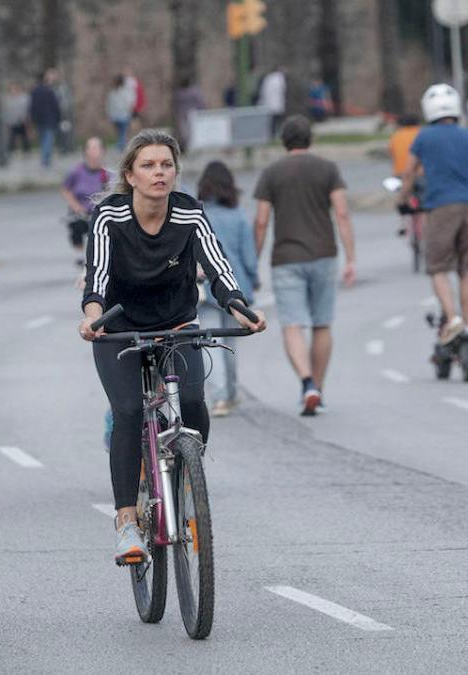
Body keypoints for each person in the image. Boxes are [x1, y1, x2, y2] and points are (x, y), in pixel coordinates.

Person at [78, 129, 264, 564]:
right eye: (148, 165)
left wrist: (239, 307)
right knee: (127, 412)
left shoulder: (189, 213)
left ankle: (185, 482)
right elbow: (97, 278)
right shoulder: (110, 217)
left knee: (196, 401)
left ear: (176, 172)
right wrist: (92, 317)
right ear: (131, 175)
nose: (159, 173)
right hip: (118, 329)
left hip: (177, 323)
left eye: (166, 165)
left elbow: (218, 267)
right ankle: (127, 520)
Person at [253, 116, 356, 416]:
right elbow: (342, 212)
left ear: (284, 140)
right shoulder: (328, 169)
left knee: (293, 325)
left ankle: (306, 381)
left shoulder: (271, 173)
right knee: (322, 323)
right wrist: (351, 259)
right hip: (324, 254)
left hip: (286, 258)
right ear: (310, 139)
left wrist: (253, 262)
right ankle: (318, 389)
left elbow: (261, 221)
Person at [397, 84, 468, 346]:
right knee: (466, 269)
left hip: (441, 208)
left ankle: (452, 319)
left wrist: (402, 200)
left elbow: (408, 174)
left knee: (438, 268)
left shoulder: (424, 138)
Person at [196, 161, 257, 417]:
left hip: (207, 286)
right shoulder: (238, 215)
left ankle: (220, 396)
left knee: (213, 342)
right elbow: (249, 256)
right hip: (236, 287)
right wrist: (253, 280)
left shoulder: (198, 216)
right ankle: (230, 392)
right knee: (231, 342)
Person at [61, 137, 110, 266]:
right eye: (91, 148)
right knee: (76, 225)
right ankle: (79, 256)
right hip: (79, 210)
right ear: (85, 152)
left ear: (102, 151)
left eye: (97, 148)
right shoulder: (76, 171)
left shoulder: (106, 174)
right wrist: (76, 206)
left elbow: (111, 192)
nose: (94, 152)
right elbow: (65, 190)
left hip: (97, 210)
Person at [389, 114, 423, 236]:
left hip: (401, 175)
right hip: (421, 174)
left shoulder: (395, 136)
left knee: (401, 196)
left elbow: (392, 154)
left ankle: (402, 223)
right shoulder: (421, 134)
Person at [30, 69, 62, 167]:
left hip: (39, 119)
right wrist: (58, 117)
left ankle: (46, 159)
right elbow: (55, 105)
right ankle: (45, 160)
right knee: (48, 140)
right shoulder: (49, 91)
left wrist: (33, 118)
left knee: (43, 139)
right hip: (49, 119)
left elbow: (32, 107)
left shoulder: (34, 91)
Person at [173, 77, 206, 150]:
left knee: (187, 132)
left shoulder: (179, 93)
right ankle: (189, 146)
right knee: (188, 132)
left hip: (187, 114)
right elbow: (200, 102)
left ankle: (190, 145)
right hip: (189, 114)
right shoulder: (193, 91)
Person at [106, 75, 135, 152]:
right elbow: (110, 104)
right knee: (121, 131)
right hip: (119, 115)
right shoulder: (114, 92)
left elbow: (130, 102)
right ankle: (121, 145)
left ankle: (120, 146)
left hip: (122, 115)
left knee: (122, 131)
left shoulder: (121, 91)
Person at [3, 82, 32, 155]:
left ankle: (26, 151)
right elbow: (6, 111)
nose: (13, 91)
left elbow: (27, 109)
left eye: (15, 89)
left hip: (23, 120)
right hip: (12, 121)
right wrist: (7, 121)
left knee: (24, 136)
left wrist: (27, 119)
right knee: (12, 137)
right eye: (11, 89)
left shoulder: (24, 98)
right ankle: (11, 151)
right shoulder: (8, 99)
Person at [259, 67, 287, 136]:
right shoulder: (280, 78)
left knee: (272, 122)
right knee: (278, 121)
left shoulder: (268, 78)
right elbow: (283, 90)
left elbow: (263, 92)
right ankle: (278, 134)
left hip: (269, 104)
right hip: (278, 104)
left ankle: (272, 134)